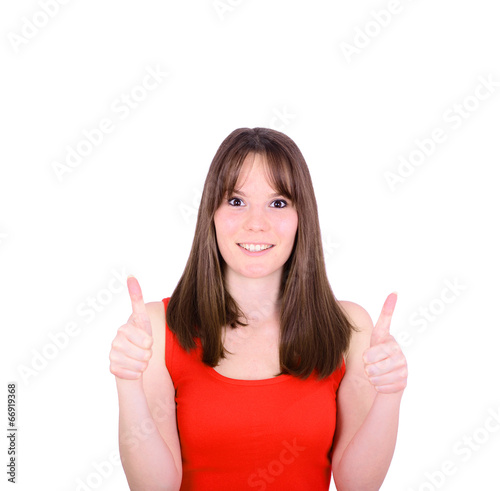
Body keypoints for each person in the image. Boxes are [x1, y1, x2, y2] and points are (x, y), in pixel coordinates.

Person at [109, 127, 408, 491]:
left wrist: (390, 395)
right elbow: (154, 488)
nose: (256, 222)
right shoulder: (156, 329)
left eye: (278, 203)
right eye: (236, 201)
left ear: (302, 218)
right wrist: (128, 385)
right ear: (212, 214)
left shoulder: (349, 328)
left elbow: (357, 485)